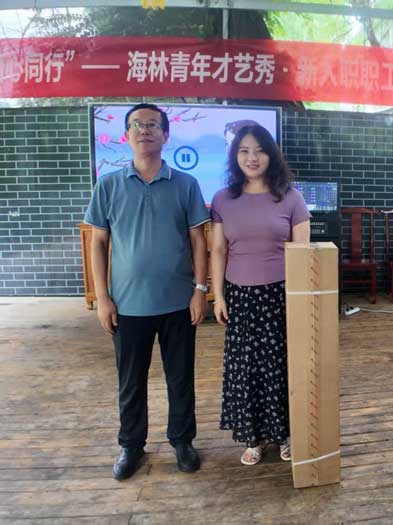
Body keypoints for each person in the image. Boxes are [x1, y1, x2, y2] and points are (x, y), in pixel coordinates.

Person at [84, 103, 211, 480]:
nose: (145, 130)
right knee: (130, 381)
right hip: (127, 305)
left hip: (178, 302)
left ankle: (182, 441)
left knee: (180, 378)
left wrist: (200, 290)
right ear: (126, 135)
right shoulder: (109, 185)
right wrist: (103, 298)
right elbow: (98, 242)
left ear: (166, 135)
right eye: (137, 125)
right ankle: (131, 445)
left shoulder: (185, 184)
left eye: (153, 125)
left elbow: (198, 240)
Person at [210, 124, 311, 466]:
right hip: (240, 297)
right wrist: (219, 296)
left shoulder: (291, 197)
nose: (252, 158)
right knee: (246, 369)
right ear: (235, 156)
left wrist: (301, 299)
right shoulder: (223, 199)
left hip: (281, 296)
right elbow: (218, 250)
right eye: (244, 151)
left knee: (281, 367)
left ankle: (286, 434)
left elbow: (302, 253)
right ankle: (253, 437)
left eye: (259, 150)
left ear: (271, 155)